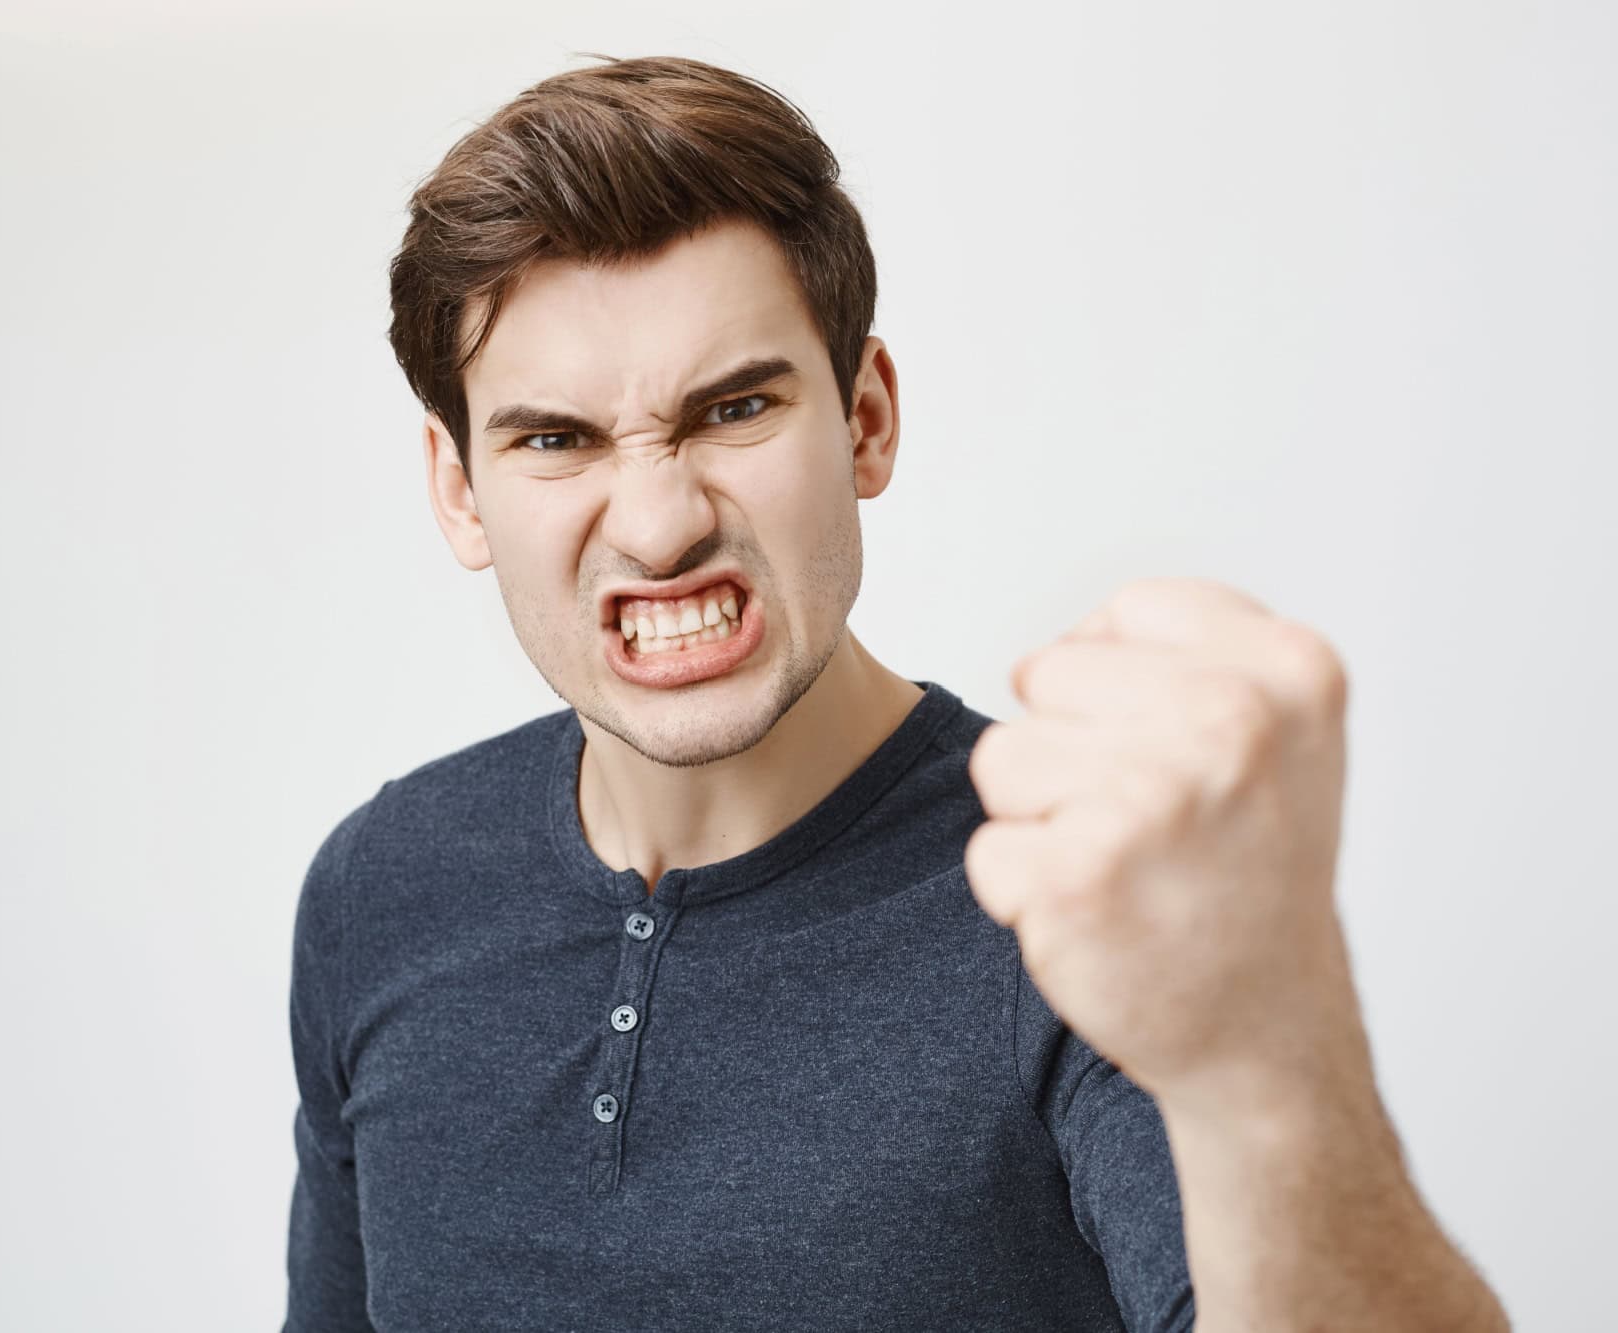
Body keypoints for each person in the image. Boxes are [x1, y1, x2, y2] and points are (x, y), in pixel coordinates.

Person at [283, 55, 1509, 1332]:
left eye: (734, 408)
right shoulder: (380, 887)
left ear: (864, 419)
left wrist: (1266, 1056)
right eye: (555, 440)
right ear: (458, 487)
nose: (655, 526)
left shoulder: (1071, 902)